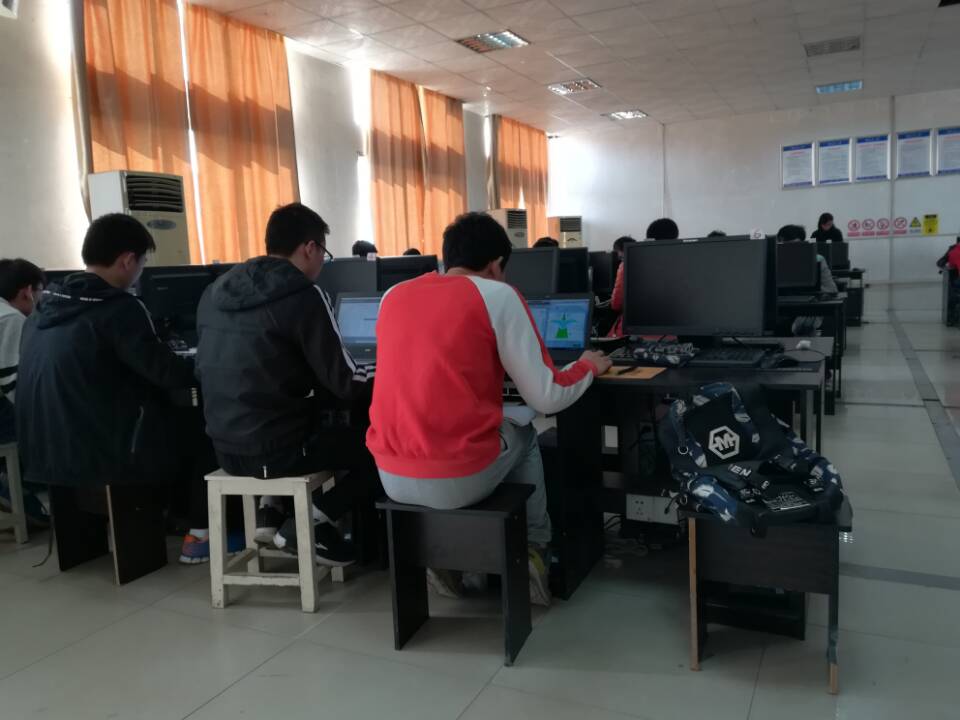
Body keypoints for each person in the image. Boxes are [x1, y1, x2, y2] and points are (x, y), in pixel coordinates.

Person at [367, 212, 611, 605]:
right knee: (525, 433)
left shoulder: (393, 296)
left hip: (389, 473)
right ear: (496, 265)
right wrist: (587, 366)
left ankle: (446, 559)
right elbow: (547, 396)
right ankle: (535, 552)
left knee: (481, 433)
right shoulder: (497, 295)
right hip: (455, 477)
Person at [195, 203, 378, 567]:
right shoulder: (303, 294)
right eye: (323, 253)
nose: (322, 262)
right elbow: (347, 382)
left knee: (282, 409)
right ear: (309, 248)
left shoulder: (214, 293)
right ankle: (312, 520)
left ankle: (271, 511)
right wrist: (392, 369)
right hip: (279, 452)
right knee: (382, 448)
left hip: (224, 448)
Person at [16, 215, 197, 498]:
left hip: (45, 453)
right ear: (127, 260)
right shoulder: (119, 308)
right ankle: (198, 520)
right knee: (198, 432)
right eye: (142, 263)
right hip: (105, 457)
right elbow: (169, 373)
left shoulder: (43, 308)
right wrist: (206, 360)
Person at [0, 259, 48, 524]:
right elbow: (13, 385)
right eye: (40, 292)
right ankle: (14, 487)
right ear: (27, 291)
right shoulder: (11, 319)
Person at [608, 219, 680, 337]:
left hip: (632, 334)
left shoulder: (629, 263)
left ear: (649, 239)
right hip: (670, 334)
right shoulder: (681, 264)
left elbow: (616, 304)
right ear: (675, 239)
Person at [777, 224, 838, 336]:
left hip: (805, 310)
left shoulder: (817, 259)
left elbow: (831, 290)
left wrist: (815, 296)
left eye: (795, 246)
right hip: (780, 309)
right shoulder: (770, 260)